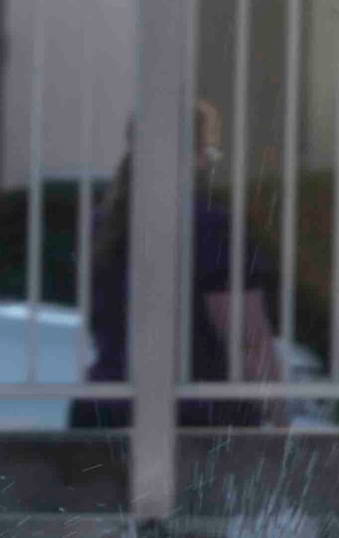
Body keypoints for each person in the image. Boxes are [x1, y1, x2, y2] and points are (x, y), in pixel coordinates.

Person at [71, 101, 286, 429]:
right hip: (195, 420)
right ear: (197, 156)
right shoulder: (209, 226)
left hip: (106, 413)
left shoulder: (102, 225)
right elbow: (247, 338)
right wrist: (278, 414)